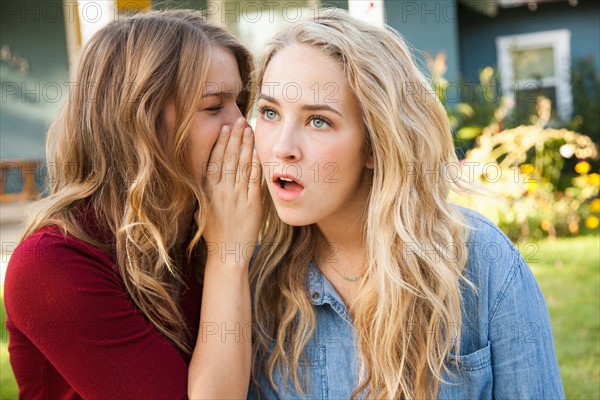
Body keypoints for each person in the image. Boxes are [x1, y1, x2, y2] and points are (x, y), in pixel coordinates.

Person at [248, 10, 565, 399]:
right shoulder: (257, 283)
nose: (282, 148)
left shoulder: (483, 266)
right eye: (269, 113)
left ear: (375, 143)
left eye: (319, 121)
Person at [4, 9, 261, 399]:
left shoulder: (202, 224)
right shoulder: (54, 263)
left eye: (241, 103)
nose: (243, 125)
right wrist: (229, 256)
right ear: (138, 123)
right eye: (214, 106)